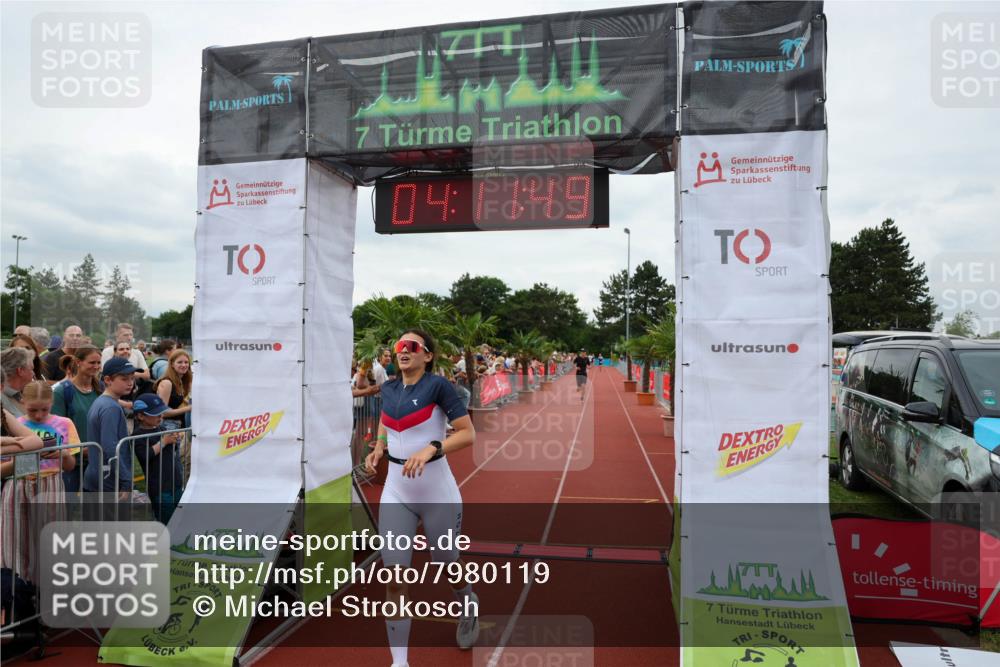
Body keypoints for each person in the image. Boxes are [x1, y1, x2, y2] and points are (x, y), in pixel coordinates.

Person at [365, 329, 478, 666]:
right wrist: (379, 446)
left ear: (427, 355)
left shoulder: (438, 386)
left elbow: (468, 433)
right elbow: (386, 420)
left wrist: (432, 448)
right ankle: (400, 662)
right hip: (396, 491)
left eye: (411, 346)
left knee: (447, 563)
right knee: (394, 579)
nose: (403, 350)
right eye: (399, 346)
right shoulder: (388, 388)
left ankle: (468, 603)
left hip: (436, 491)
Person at [51, 346, 103, 493]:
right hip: (72, 463)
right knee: (68, 503)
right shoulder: (62, 391)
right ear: (78, 362)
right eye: (92, 362)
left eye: (98, 363)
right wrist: (78, 450)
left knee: (95, 504)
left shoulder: (101, 388)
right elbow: (56, 429)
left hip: (97, 459)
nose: (96, 366)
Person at [84, 357, 135, 496]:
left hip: (99, 475)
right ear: (107, 380)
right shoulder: (111, 407)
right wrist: (125, 480)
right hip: (108, 479)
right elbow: (110, 446)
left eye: (132, 378)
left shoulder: (102, 401)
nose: (130, 383)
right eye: (124, 379)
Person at [130, 394, 184, 524]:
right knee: (167, 520)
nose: (160, 416)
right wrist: (164, 442)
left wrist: (175, 439)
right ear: (141, 416)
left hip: (175, 481)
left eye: (161, 413)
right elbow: (145, 456)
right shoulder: (138, 435)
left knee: (181, 517)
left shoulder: (162, 428)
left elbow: (172, 450)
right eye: (156, 414)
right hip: (159, 487)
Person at [1, 347, 35, 417]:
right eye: (31, 369)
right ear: (20, 371)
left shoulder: (20, 395)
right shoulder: (2, 400)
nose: (33, 374)